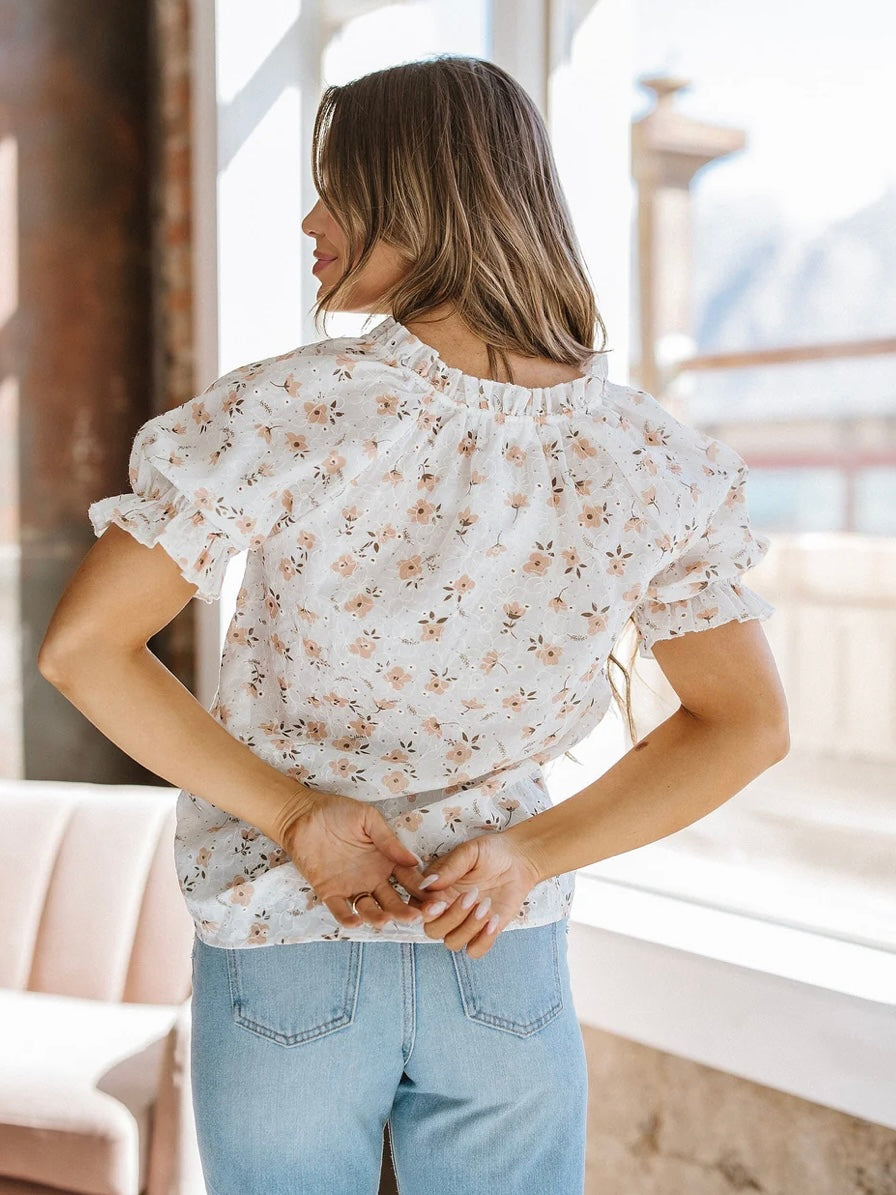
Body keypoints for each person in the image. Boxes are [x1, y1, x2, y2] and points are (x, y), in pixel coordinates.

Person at [38, 54, 788, 1195]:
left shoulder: (293, 411)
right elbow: (745, 725)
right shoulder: (647, 458)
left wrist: (297, 818)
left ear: (422, 198)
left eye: (338, 186)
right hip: (497, 944)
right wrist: (523, 855)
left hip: (286, 939)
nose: (308, 216)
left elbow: (82, 649)